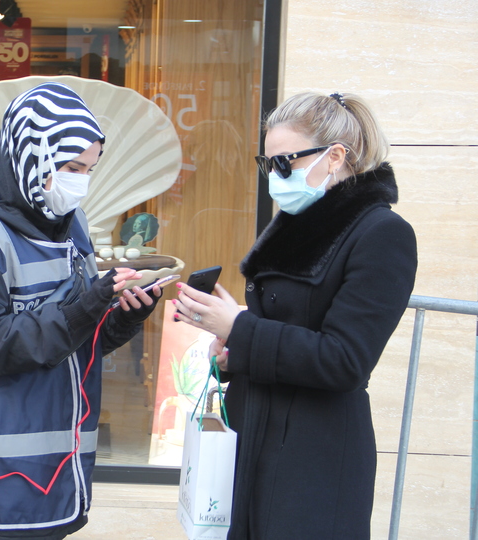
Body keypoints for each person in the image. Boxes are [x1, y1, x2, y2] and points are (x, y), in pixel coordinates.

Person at [174, 91, 417, 539]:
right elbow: (288, 326)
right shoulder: (296, 223)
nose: (275, 176)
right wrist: (233, 351)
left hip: (314, 458)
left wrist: (240, 328)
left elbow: (345, 359)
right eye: (267, 164)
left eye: (285, 162)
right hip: (255, 440)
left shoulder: (384, 234)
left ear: (335, 157)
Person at [0, 82, 169, 539]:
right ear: (30, 157)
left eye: (88, 168)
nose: (80, 180)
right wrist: (85, 309)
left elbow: (76, 342)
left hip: (57, 469)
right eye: (70, 166)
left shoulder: (71, 225)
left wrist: (123, 314)